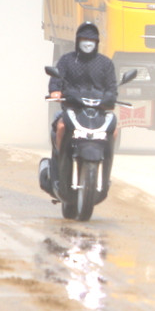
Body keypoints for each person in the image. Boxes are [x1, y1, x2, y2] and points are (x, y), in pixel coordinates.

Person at [47, 21, 119, 192]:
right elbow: (56, 80)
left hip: (98, 112)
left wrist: (110, 100)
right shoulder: (67, 60)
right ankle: (60, 157)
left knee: (114, 130)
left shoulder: (105, 64)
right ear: (78, 40)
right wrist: (55, 91)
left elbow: (112, 88)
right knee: (61, 126)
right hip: (73, 109)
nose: (88, 43)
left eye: (91, 40)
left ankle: (107, 162)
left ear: (97, 43)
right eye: (84, 39)